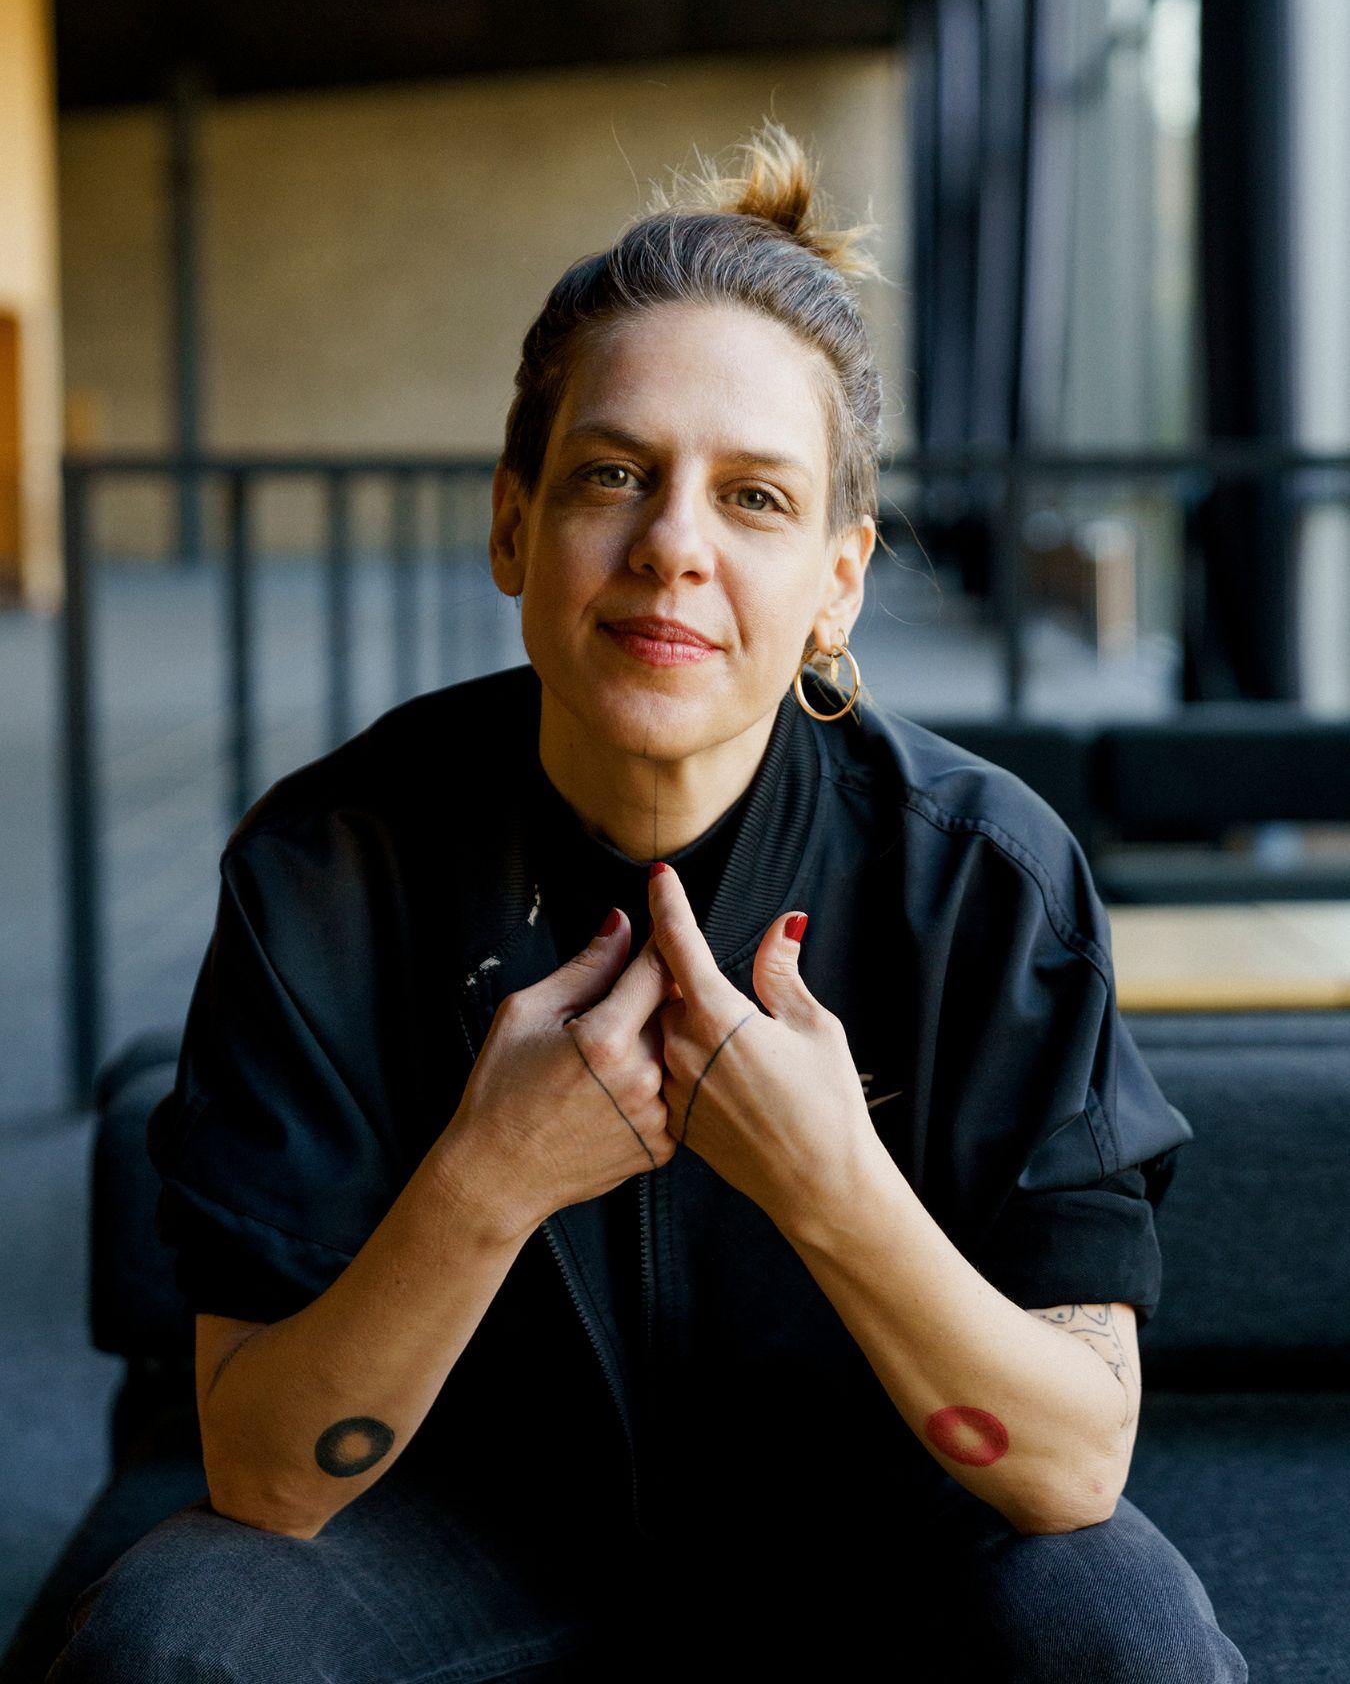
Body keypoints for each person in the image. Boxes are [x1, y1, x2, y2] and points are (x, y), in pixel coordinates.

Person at [48, 119, 1248, 1681]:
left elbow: (1072, 1468)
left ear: (838, 580)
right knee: (169, 1642)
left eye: (755, 499)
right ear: (512, 521)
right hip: (451, 1524)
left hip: (869, 1529)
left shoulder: (985, 874)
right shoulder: (331, 864)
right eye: (613, 474)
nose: (672, 547)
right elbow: (265, 1471)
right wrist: (489, 1177)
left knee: (1129, 1638)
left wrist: (828, 1180)